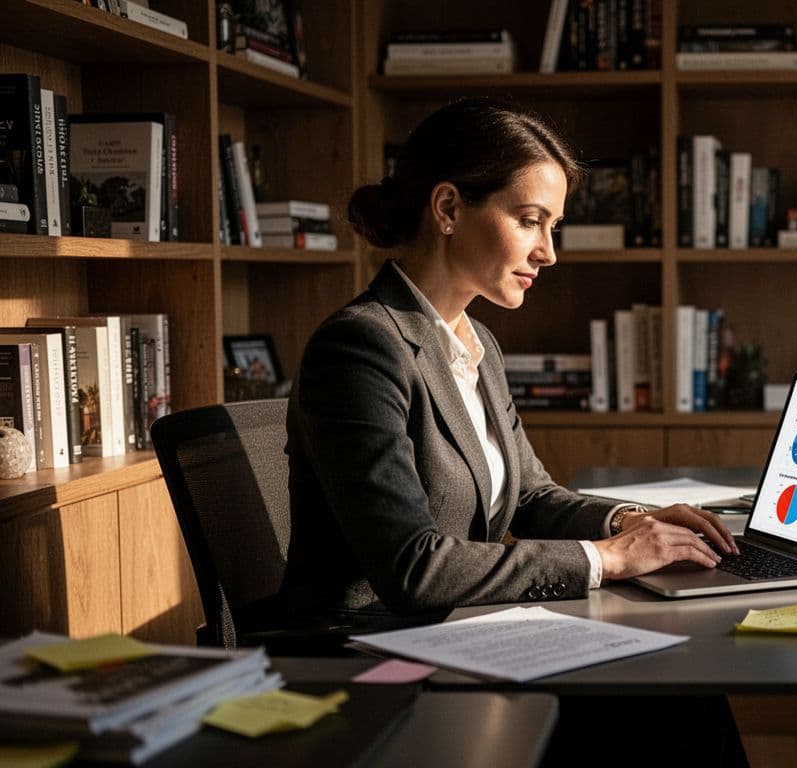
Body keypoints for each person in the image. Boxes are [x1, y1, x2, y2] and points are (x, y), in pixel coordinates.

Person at [279, 98, 739, 629]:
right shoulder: (360, 347)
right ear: (448, 208)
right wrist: (607, 558)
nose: (548, 252)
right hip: (359, 644)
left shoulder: (478, 344)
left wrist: (629, 522)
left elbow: (528, 497)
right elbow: (412, 567)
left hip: (457, 626)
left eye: (552, 227)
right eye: (529, 221)